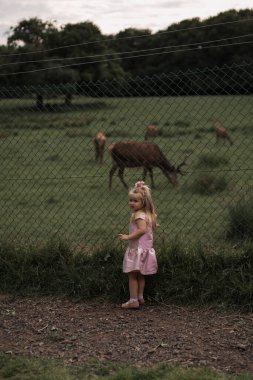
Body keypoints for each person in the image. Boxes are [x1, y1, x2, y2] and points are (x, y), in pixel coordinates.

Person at [119, 180, 158, 309]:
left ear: (143, 202)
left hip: (137, 249)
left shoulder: (138, 216)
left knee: (132, 274)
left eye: (135, 201)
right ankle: (140, 297)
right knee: (140, 275)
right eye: (130, 200)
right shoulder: (147, 215)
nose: (131, 203)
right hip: (145, 249)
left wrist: (127, 237)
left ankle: (133, 300)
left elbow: (142, 230)